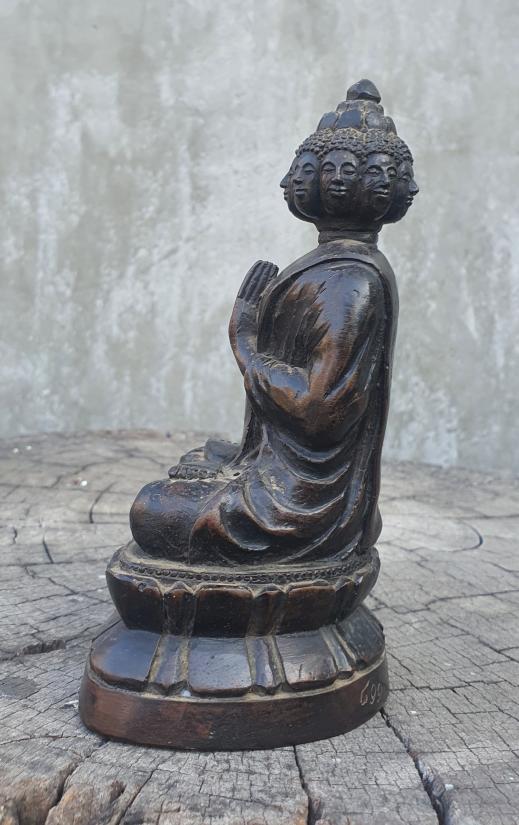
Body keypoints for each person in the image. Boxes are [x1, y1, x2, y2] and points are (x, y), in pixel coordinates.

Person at [130, 83, 417, 567]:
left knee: (152, 511)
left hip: (305, 505)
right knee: (203, 459)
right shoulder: (336, 266)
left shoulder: (350, 281)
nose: (291, 182)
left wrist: (246, 345)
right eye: (316, 170)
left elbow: (317, 410)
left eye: (348, 171)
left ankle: (305, 561)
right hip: (287, 469)